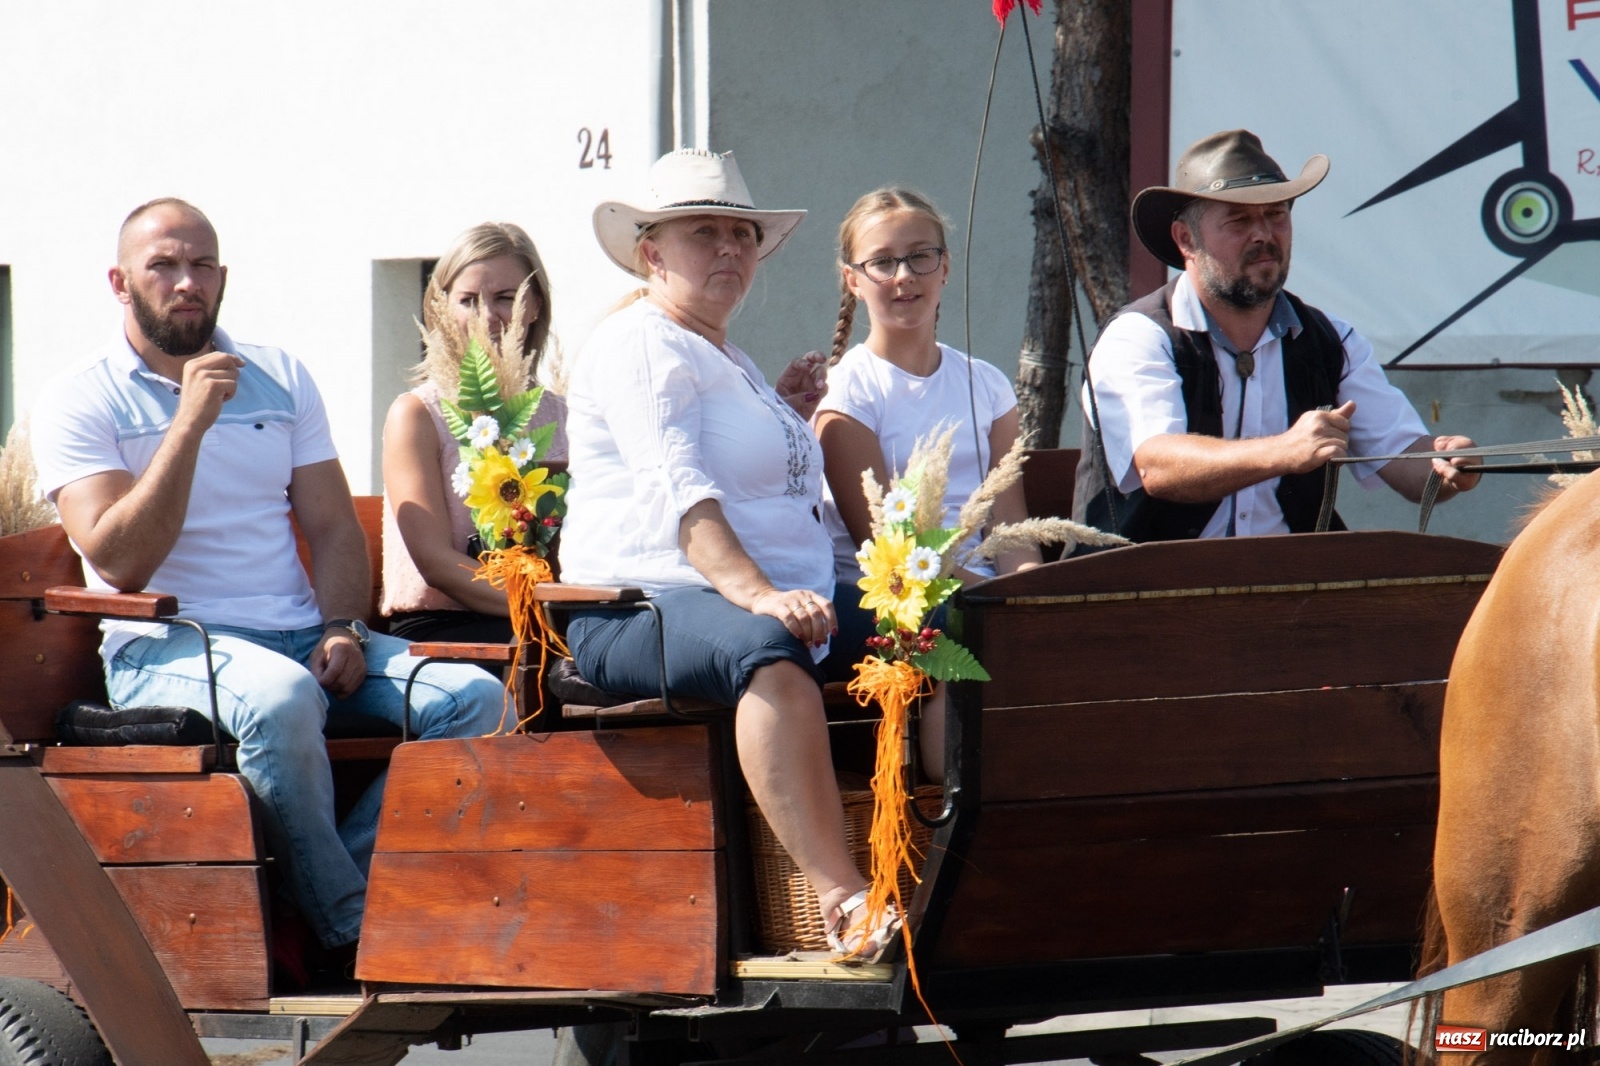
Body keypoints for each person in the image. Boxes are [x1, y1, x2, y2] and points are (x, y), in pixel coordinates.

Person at [29, 198, 504, 962]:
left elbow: (333, 530)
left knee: (481, 700)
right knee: (285, 700)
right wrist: (189, 421)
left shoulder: (279, 374)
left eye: (202, 265)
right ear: (120, 283)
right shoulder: (80, 396)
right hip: (166, 644)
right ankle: (349, 932)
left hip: (297, 635)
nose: (187, 282)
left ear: (223, 276)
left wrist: (343, 628)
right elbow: (120, 562)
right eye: (164, 266)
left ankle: (342, 883)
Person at [562, 148, 893, 959]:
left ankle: (938, 856)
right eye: (702, 233)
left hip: (752, 596)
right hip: (637, 608)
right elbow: (680, 489)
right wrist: (760, 595)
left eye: (741, 235)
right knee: (771, 651)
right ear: (651, 253)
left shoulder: (721, 354)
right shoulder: (641, 343)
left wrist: (780, 410)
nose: (728, 250)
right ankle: (843, 899)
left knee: (947, 634)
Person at [1074, 129, 1481, 542]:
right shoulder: (1139, 336)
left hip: (1287, 587)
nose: (1264, 235)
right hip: (1139, 591)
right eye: (1239, 220)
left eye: (1277, 216)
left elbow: (1405, 462)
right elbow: (1157, 467)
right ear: (1185, 239)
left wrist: (1448, 466)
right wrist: (1283, 451)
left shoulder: (1331, 339)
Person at [813, 187, 1038, 776]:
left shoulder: (985, 384)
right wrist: (989, 600)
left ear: (944, 266)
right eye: (881, 262)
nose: (903, 276)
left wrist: (1032, 594)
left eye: (919, 257)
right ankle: (957, 809)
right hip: (894, 597)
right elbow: (885, 543)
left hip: (980, 588)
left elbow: (1011, 527)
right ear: (852, 280)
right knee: (961, 633)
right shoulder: (849, 392)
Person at [381, 222, 567, 645]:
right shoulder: (417, 414)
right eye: (468, 300)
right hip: (446, 628)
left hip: (551, 618)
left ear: (534, 305)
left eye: (505, 298)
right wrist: (550, 607)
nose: (488, 316)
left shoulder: (567, 415)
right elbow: (434, 561)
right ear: (444, 309)